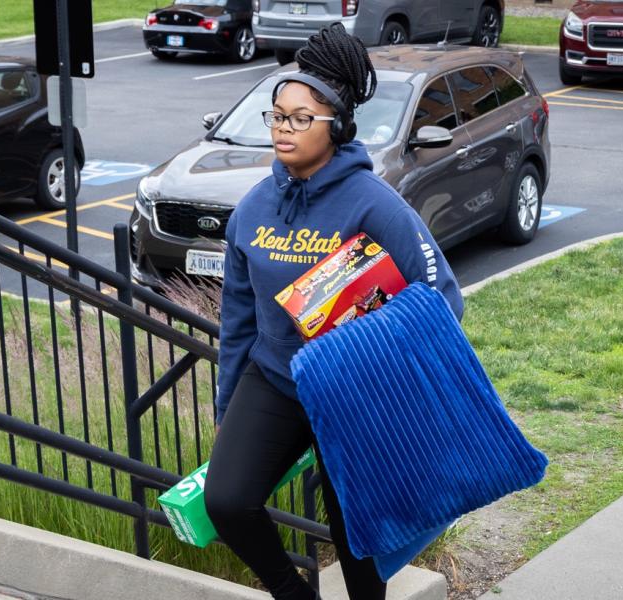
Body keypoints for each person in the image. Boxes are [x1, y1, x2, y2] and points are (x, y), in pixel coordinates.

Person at [203, 24, 465, 600]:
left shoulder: (374, 204)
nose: (282, 129)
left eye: (300, 118)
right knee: (226, 499)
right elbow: (238, 319)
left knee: (358, 539)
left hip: (354, 388)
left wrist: (374, 347)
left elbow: (441, 296)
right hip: (276, 378)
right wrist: (227, 405)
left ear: (337, 126)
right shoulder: (251, 209)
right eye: (277, 115)